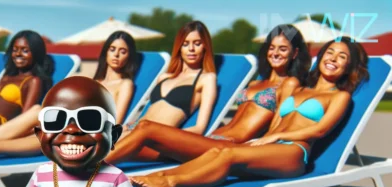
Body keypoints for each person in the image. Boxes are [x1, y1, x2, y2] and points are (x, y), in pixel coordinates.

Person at [129, 37, 369, 187]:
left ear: (349, 68)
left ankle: (171, 183)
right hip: (272, 147)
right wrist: (266, 137)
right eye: (330, 53)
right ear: (322, 57)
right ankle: (161, 176)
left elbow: (320, 131)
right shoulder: (298, 89)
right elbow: (275, 123)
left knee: (228, 153)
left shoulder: (340, 97)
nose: (333, 59)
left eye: (342, 57)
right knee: (218, 152)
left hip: (294, 152)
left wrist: (275, 138)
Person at [104, 24, 311, 165]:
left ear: (294, 54)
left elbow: (279, 122)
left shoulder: (289, 83)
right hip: (210, 137)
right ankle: (88, 164)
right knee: (123, 141)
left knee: (142, 129)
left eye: (283, 49)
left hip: (218, 143)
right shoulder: (257, 82)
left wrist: (260, 146)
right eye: (272, 47)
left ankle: (93, 167)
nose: (275, 53)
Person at [0, 30, 140, 163]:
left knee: (46, 132)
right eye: (112, 49)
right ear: (105, 52)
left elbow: (115, 121)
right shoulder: (93, 82)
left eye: (123, 51)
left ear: (128, 56)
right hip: (73, 120)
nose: (116, 55)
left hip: (91, 127)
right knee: (36, 111)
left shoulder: (125, 84)